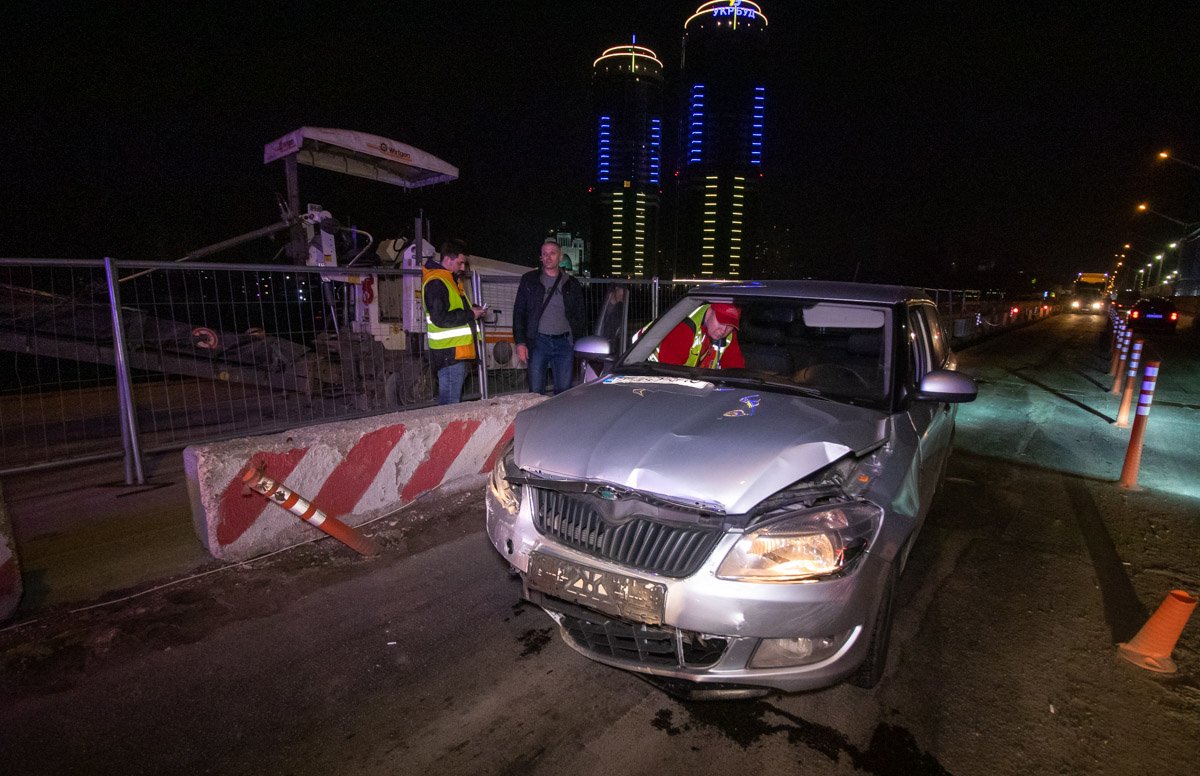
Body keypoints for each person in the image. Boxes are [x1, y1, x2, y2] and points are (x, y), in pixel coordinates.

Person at [513, 240, 586, 394]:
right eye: (544, 254)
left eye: (552, 253)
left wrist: (578, 343)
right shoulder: (530, 280)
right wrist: (520, 342)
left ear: (560, 257)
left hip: (565, 344)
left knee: (564, 393)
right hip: (538, 342)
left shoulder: (572, 284)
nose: (548, 257)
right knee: (535, 393)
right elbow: (519, 312)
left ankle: (561, 418)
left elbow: (580, 316)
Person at [422, 239, 485, 404]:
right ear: (448, 260)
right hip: (449, 354)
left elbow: (452, 310)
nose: (463, 268)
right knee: (450, 405)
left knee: (449, 403)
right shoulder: (438, 282)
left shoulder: (447, 279)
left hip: (453, 353)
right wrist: (471, 314)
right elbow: (440, 318)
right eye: (460, 263)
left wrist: (473, 310)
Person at [649, 302, 744, 368]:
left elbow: (736, 368)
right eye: (721, 322)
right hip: (644, 370)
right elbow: (669, 374)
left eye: (730, 325)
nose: (724, 330)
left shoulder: (729, 334)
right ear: (710, 310)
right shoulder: (683, 327)